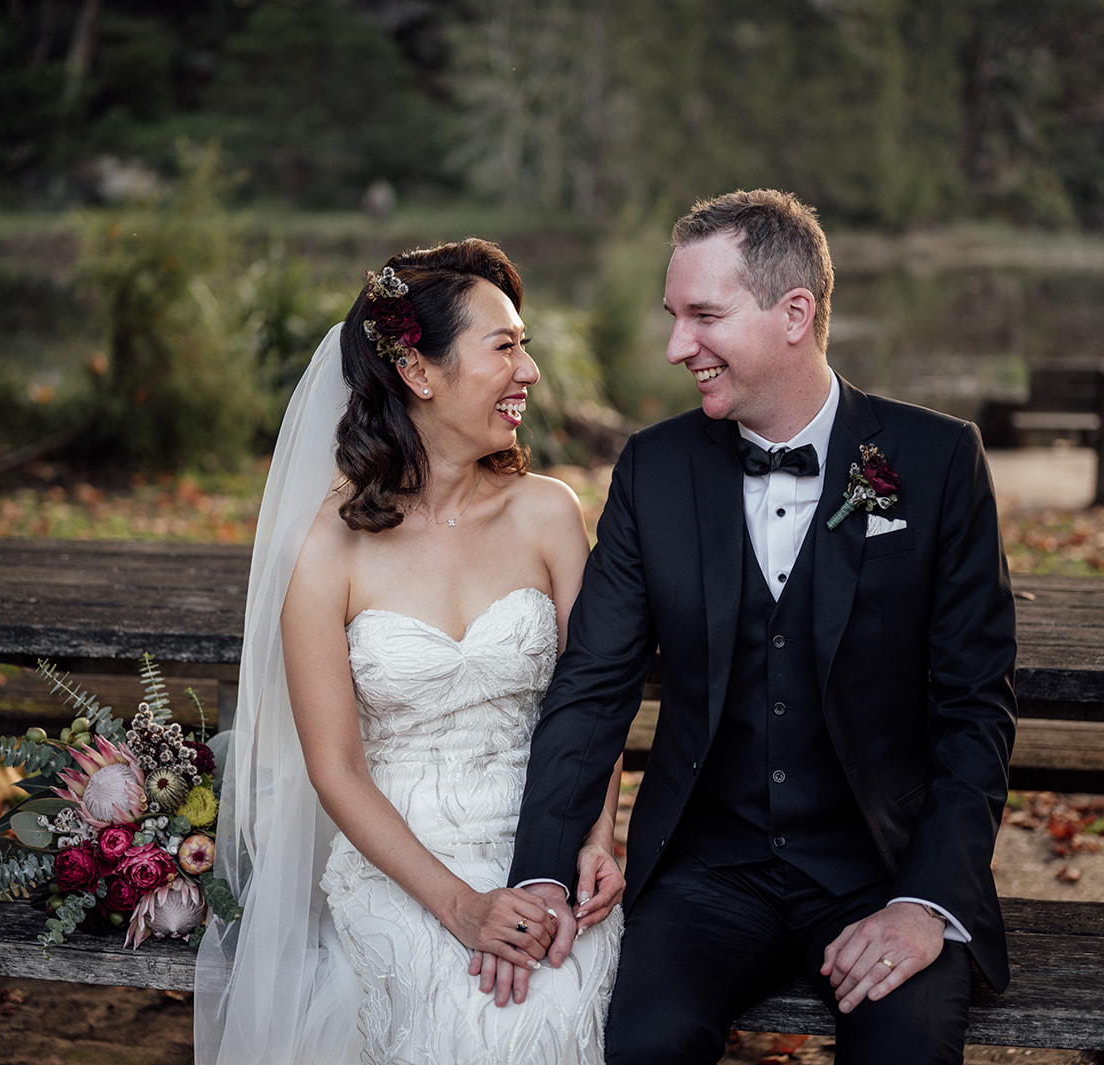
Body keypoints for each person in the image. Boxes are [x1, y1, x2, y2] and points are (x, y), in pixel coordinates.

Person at [505, 190, 1019, 1064]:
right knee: (642, 1044)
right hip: (708, 871)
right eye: (673, 318)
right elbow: (593, 685)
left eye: (704, 316)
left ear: (795, 313)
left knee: (904, 1056)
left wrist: (925, 903)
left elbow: (975, 709)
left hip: (881, 868)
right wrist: (544, 873)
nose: (677, 348)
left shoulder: (935, 462)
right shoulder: (654, 469)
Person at [194, 239, 624, 1065]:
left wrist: (592, 840)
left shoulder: (549, 514)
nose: (529, 371)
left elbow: (593, 699)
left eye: (525, 345)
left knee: (549, 1004)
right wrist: (461, 906)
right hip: (401, 865)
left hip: (545, 837)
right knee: (471, 1024)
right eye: (505, 347)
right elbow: (339, 772)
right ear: (420, 372)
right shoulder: (326, 550)